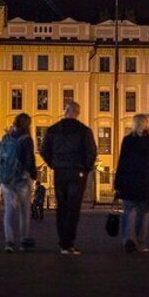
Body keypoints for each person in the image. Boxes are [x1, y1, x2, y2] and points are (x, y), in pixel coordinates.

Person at [40, 101, 97, 255]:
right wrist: (85, 167)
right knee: (73, 207)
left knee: (62, 206)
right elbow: (91, 152)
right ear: (77, 112)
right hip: (77, 171)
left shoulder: (53, 130)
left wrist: (54, 164)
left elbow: (43, 150)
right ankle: (68, 243)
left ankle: (63, 242)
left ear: (66, 111)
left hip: (60, 171)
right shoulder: (84, 131)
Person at [114, 114, 149, 253]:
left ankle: (127, 239)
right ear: (148, 124)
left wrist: (117, 184)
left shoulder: (127, 140)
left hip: (129, 181)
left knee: (128, 212)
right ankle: (140, 242)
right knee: (143, 214)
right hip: (146, 182)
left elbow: (122, 163)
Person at [0, 113, 37, 252]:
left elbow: (0, 157)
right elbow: (29, 160)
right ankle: (23, 240)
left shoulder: (6, 137)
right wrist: (34, 173)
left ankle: (9, 242)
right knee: (24, 211)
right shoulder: (26, 139)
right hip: (22, 180)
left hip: (7, 179)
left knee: (9, 211)